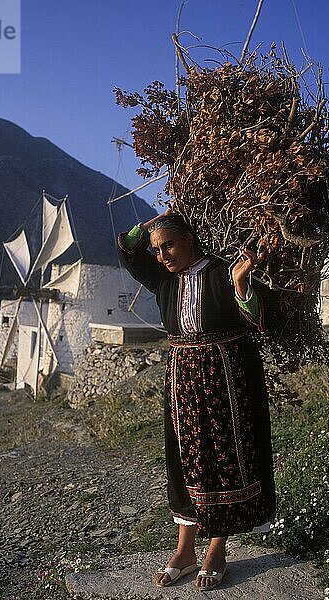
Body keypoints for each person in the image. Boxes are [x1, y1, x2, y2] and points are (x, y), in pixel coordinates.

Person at [117, 209, 277, 591]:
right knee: (185, 458)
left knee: (226, 458)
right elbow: (126, 249)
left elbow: (258, 321)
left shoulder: (224, 271)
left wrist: (241, 285)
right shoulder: (161, 279)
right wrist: (157, 221)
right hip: (182, 378)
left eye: (169, 244)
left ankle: (217, 546)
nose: (162, 256)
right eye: (157, 249)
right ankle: (185, 548)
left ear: (189, 239)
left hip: (225, 377)